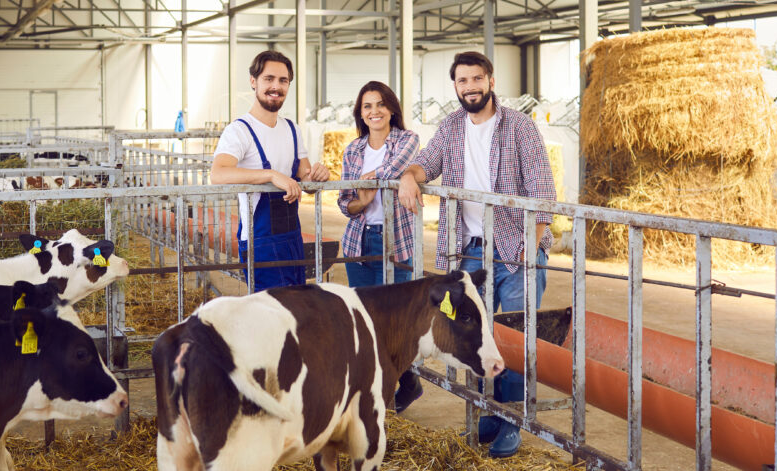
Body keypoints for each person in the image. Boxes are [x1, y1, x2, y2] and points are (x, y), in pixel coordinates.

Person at [409, 51, 557, 458]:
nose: (470, 87)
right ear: (455, 86)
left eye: (477, 79)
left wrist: (533, 243)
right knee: (473, 335)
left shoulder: (520, 127)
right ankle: (486, 415)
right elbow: (427, 163)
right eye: (462, 81)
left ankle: (511, 420)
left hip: (515, 249)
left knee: (512, 336)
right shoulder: (451, 127)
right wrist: (408, 176)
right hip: (468, 251)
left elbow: (543, 190)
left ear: (491, 81)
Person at [210, 51, 330, 292]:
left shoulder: (292, 129)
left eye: (283, 80)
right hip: (260, 242)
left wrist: (317, 175)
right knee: (270, 314)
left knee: (295, 306)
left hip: (292, 237)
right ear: (253, 81)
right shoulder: (239, 131)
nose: (276, 86)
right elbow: (218, 174)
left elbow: (305, 176)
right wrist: (271, 175)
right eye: (269, 79)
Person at [338, 81, 422, 288]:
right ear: (361, 113)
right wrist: (362, 202)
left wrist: (371, 177)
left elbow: (396, 167)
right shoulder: (353, 150)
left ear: (392, 109)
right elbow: (344, 202)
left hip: (396, 240)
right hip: (357, 241)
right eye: (367, 106)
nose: (374, 111)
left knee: (392, 313)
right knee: (362, 310)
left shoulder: (407, 139)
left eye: (381, 104)